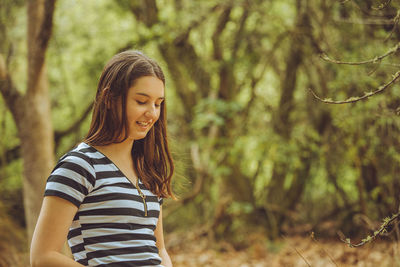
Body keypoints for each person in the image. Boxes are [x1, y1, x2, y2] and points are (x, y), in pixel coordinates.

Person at [30, 50, 175, 267]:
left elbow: (159, 248)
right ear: (109, 98)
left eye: (157, 103)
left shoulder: (148, 169)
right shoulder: (79, 167)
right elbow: (43, 257)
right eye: (142, 101)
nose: (152, 113)